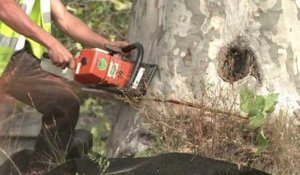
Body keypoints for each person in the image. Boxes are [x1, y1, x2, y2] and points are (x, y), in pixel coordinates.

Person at [0, 0, 128, 174]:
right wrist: (52, 43)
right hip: (7, 59)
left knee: (64, 103)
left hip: (14, 60)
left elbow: (65, 20)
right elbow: (5, 7)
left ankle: (42, 171)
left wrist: (105, 45)